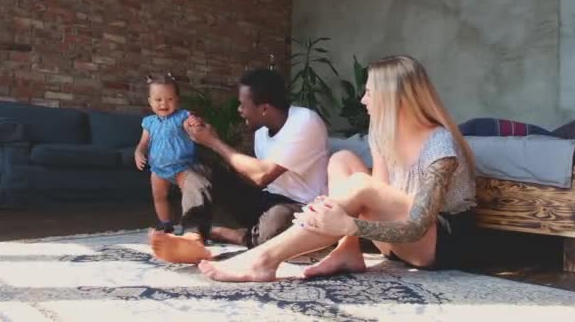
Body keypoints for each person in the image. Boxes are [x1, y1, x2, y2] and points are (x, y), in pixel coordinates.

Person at [197, 55, 477, 282]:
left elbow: (417, 226)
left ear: (394, 98)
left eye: (369, 92)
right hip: (398, 240)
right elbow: (381, 193)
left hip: (438, 245)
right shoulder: (382, 133)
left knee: (360, 185)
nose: (363, 100)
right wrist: (347, 217)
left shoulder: (439, 144)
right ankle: (348, 250)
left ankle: (264, 260)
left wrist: (349, 223)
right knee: (341, 159)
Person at [149, 68, 330, 264]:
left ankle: (235, 235)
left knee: (277, 222)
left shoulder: (304, 121)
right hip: (266, 200)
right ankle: (193, 238)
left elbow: (263, 175)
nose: (239, 110)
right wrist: (219, 175)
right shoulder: (262, 133)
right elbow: (253, 180)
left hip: (301, 206)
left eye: (243, 105)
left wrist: (214, 142)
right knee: (198, 170)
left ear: (264, 109)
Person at [135, 73, 213, 257]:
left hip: (183, 167)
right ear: (150, 101)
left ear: (177, 100)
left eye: (169, 99)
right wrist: (138, 152)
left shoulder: (182, 116)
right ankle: (166, 224)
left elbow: (193, 125)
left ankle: (192, 227)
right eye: (158, 99)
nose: (164, 103)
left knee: (191, 193)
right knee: (159, 196)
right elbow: (143, 143)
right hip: (159, 169)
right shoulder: (149, 122)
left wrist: (196, 123)